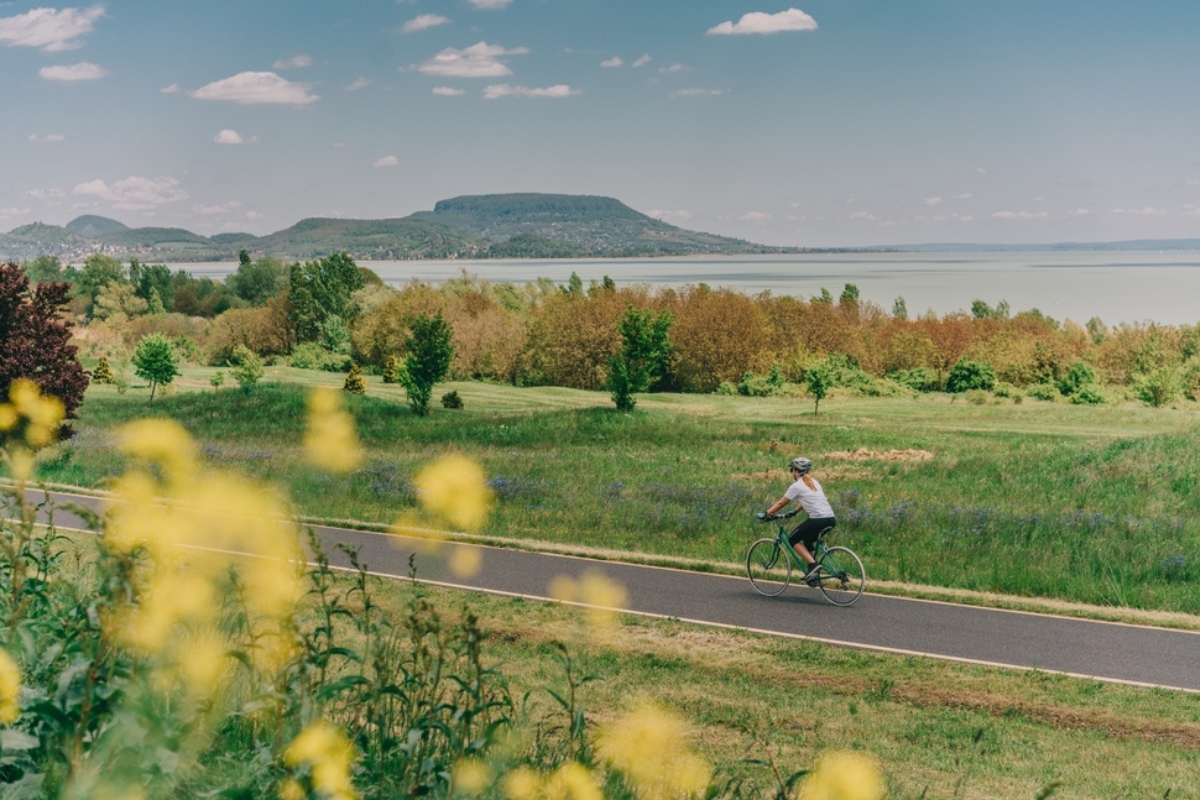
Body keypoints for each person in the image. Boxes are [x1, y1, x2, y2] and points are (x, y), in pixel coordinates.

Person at [758, 457, 836, 583]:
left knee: (793, 539)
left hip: (818, 520)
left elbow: (781, 503)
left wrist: (766, 513)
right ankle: (813, 574)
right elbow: (807, 500)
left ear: (796, 471)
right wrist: (794, 511)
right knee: (808, 541)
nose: (791, 472)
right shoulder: (814, 482)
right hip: (831, 519)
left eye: (792, 470)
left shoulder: (797, 486)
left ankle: (813, 565)